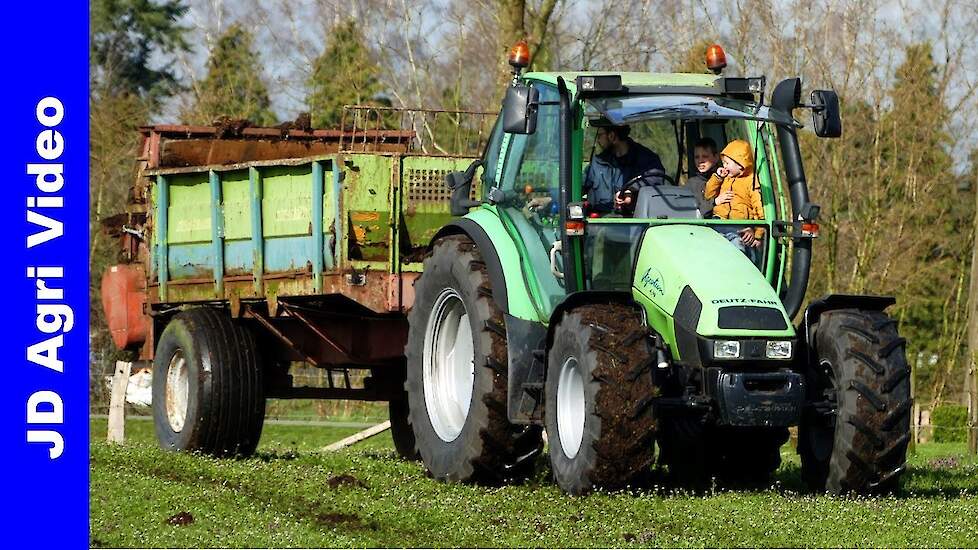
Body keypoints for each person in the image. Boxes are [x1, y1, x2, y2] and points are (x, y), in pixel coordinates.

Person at [703, 139, 764, 259]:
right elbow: (708, 194)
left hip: (738, 226)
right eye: (723, 163)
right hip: (718, 221)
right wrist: (717, 177)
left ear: (740, 164)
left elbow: (759, 208)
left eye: (727, 163)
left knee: (738, 245)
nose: (724, 166)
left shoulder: (751, 182)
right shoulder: (725, 178)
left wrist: (758, 234)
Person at [584, 124, 664, 214]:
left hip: (636, 223)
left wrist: (631, 190)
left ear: (612, 136)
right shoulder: (597, 163)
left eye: (599, 135)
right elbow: (578, 186)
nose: (598, 140)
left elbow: (656, 177)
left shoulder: (647, 159)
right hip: (599, 224)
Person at [684, 137, 721, 217]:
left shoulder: (725, 179)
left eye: (705, 156)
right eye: (697, 157)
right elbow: (700, 212)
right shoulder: (692, 184)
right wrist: (715, 202)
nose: (700, 161)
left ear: (716, 157)